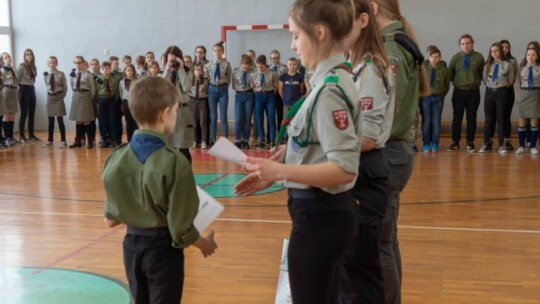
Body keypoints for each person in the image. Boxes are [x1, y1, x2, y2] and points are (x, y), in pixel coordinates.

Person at [235, 0, 361, 302]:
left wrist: (282, 171)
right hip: (318, 214)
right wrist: (280, 170)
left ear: (318, 32)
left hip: (321, 219)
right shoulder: (324, 83)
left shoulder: (329, 90)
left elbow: (344, 168)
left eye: (295, 35)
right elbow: (316, 149)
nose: (292, 46)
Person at [102, 76, 217, 304]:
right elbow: (180, 230)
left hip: (131, 248)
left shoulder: (115, 158)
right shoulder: (175, 162)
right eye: (176, 110)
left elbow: (110, 220)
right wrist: (205, 243)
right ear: (165, 114)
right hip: (163, 251)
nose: (176, 115)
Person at [339, 0, 395, 302]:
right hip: (354, 170)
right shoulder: (355, 67)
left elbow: (368, 137)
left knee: (358, 274)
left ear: (363, 20)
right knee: (350, 272)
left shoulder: (370, 69)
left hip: (365, 172)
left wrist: (319, 148)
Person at [372, 0, 427, 303]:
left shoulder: (391, 49)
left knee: (381, 245)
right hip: (394, 152)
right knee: (387, 241)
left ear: (373, 7)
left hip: (389, 152)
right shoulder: (394, 42)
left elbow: (386, 113)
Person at [447, 34, 485, 152]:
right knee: (457, 117)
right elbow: (451, 74)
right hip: (459, 91)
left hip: (473, 91)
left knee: (471, 117)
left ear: (472, 43)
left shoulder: (479, 57)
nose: (466, 46)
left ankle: (470, 142)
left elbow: (482, 73)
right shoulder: (456, 58)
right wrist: (459, 82)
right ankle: (455, 142)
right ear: (460, 45)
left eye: (468, 43)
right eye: (463, 44)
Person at [478, 42, 515, 154]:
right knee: (489, 119)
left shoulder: (507, 64)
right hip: (489, 93)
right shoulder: (487, 65)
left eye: (496, 51)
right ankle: (487, 143)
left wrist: (502, 86)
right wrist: (492, 87)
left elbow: (511, 78)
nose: (494, 53)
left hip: (501, 93)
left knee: (501, 119)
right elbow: (484, 79)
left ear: (501, 51)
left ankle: (501, 145)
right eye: (492, 51)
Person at [162, 45, 194, 163]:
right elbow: (161, 87)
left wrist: (180, 69)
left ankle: (187, 176)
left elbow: (186, 87)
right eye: (170, 60)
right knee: (169, 148)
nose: (172, 63)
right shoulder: (165, 73)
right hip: (169, 112)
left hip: (182, 111)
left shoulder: (188, 72)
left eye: (174, 60)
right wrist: (166, 69)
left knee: (184, 147)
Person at [422, 46, 450, 152]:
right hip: (426, 98)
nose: (434, 59)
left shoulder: (444, 70)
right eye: (432, 57)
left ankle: (434, 143)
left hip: (438, 98)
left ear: (440, 57)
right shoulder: (424, 68)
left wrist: (442, 95)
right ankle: (426, 143)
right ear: (429, 57)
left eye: (437, 57)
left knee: (436, 122)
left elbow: (446, 86)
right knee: (426, 122)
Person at [515, 46, 540, 155]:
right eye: (528, 54)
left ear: (537, 56)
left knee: (534, 122)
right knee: (522, 122)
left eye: (533, 54)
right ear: (526, 56)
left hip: (535, 95)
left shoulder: (539, 68)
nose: (530, 57)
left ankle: (533, 147)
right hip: (523, 96)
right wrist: (519, 93)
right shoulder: (521, 68)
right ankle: (521, 146)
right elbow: (516, 82)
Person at [205, 41, 232, 144]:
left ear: (222, 52)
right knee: (213, 116)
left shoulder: (226, 64)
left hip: (222, 90)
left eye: (219, 50)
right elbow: (207, 78)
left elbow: (229, 78)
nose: (217, 52)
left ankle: (225, 140)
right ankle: (212, 139)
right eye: (215, 50)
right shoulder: (209, 65)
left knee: (223, 116)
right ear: (213, 52)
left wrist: (223, 86)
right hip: (212, 90)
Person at [69, 55, 97, 149]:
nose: (77, 64)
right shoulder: (73, 75)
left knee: (86, 120)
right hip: (76, 96)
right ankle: (78, 141)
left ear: (83, 63)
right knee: (78, 120)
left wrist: (89, 98)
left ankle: (89, 141)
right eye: (76, 63)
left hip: (86, 97)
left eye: (79, 62)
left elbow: (93, 88)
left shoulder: (88, 75)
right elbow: (72, 85)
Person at [252, 55, 278, 149]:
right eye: (258, 67)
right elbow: (252, 85)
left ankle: (272, 140)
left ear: (265, 65)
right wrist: (258, 92)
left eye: (261, 67)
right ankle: (262, 140)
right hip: (259, 96)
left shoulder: (272, 73)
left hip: (270, 96)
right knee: (259, 119)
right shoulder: (254, 74)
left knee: (271, 118)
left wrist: (269, 92)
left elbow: (275, 86)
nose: (260, 69)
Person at [42, 56, 68, 148]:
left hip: (58, 98)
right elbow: (47, 86)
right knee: (50, 120)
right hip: (50, 98)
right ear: (48, 64)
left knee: (60, 120)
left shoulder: (61, 74)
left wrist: (61, 96)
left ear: (56, 63)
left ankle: (63, 141)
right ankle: (50, 140)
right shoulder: (46, 75)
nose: (52, 64)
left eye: (54, 62)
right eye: (50, 62)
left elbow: (65, 87)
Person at [232, 55, 255, 149]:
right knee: (238, 119)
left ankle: (245, 140)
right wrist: (239, 90)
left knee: (247, 119)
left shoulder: (253, 72)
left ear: (250, 65)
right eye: (243, 67)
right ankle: (237, 140)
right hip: (239, 95)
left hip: (249, 95)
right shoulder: (235, 71)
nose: (245, 68)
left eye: (247, 67)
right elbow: (233, 85)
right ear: (240, 64)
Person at [96, 61, 120, 148]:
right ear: (101, 70)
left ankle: (112, 139)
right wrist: (97, 102)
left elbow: (117, 91)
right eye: (103, 69)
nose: (105, 70)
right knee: (102, 120)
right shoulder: (98, 79)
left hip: (111, 100)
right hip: (102, 100)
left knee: (112, 120)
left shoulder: (114, 79)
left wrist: (114, 100)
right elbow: (96, 91)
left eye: (107, 68)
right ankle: (104, 139)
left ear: (110, 69)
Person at [17, 48, 39, 142]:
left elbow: (33, 78)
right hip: (23, 89)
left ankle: (31, 135)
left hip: (31, 89)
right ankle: (22, 136)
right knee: (24, 113)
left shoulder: (34, 67)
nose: (29, 56)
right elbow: (16, 79)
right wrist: (22, 88)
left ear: (33, 56)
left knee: (32, 113)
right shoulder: (21, 67)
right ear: (25, 56)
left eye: (30, 54)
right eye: (27, 54)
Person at [500, 40, 519, 150]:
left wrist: (505, 85)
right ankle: (495, 141)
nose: (505, 49)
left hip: (507, 91)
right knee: (497, 117)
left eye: (507, 47)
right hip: (496, 92)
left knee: (506, 117)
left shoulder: (512, 61)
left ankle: (507, 140)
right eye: (502, 47)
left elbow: (514, 76)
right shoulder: (493, 60)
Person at [189, 62, 209, 149]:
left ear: (202, 71)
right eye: (196, 70)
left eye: (199, 70)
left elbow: (208, 91)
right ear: (193, 71)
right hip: (192, 101)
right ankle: (193, 141)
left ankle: (203, 141)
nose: (198, 71)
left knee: (202, 122)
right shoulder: (190, 80)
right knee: (193, 122)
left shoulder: (205, 81)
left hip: (202, 101)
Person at [1, 52, 19, 147]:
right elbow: (1, 80)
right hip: (6, 91)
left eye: (9, 56)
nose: (8, 58)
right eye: (6, 57)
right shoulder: (2, 69)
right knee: (6, 116)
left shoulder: (14, 68)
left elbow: (17, 80)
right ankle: (7, 138)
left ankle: (11, 138)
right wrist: (4, 70)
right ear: (3, 60)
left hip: (14, 92)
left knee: (12, 116)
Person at [269, 50, 289, 132]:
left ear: (279, 58)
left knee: (280, 115)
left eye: (277, 58)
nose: (275, 60)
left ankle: (280, 135)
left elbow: (286, 81)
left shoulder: (284, 68)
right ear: (270, 59)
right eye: (273, 58)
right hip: (270, 94)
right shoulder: (268, 68)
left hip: (280, 94)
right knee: (271, 115)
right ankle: (271, 136)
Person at [120, 64, 139, 142]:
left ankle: (136, 139)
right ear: (125, 71)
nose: (129, 72)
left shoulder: (137, 81)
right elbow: (121, 92)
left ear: (134, 71)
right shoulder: (121, 82)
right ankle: (129, 140)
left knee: (135, 122)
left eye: (131, 70)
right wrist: (124, 101)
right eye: (128, 70)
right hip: (126, 102)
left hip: (135, 102)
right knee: (128, 122)